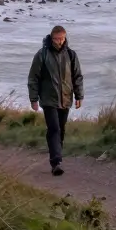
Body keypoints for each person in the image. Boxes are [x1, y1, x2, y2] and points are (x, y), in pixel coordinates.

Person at [27, 25, 84, 176]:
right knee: (54, 129)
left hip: (65, 99)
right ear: (51, 38)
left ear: (65, 38)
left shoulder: (71, 55)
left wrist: (79, 96)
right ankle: (56, 162)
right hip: (48, 99)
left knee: (61, 129)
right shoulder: (42, 54)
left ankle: (57, 155)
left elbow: (77, 76)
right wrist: (33, 99)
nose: (59, 42)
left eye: (62, 38)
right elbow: (33, 78)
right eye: (56, 39)